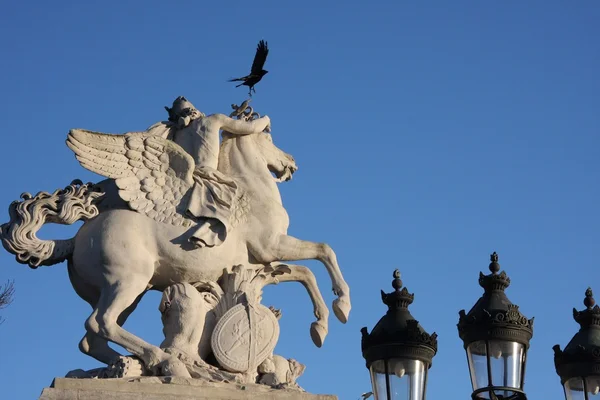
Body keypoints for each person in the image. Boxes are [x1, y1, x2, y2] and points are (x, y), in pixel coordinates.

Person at [149, 96, 271, 247]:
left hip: (185, 177)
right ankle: (208, 233)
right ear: (196, 111)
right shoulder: (213, 119)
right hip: (208, 176)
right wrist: (266, 119)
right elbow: (251, 128)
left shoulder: (174, 134)